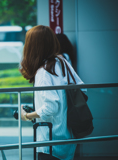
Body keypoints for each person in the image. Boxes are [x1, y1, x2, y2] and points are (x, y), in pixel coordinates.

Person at [19, 25, 85, 160]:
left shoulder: (43, 72)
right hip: (68, 135)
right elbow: (82, 89)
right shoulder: (62, 62)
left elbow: (51, 108)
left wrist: (27, 115)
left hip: (50, 140)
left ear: (32, 46)